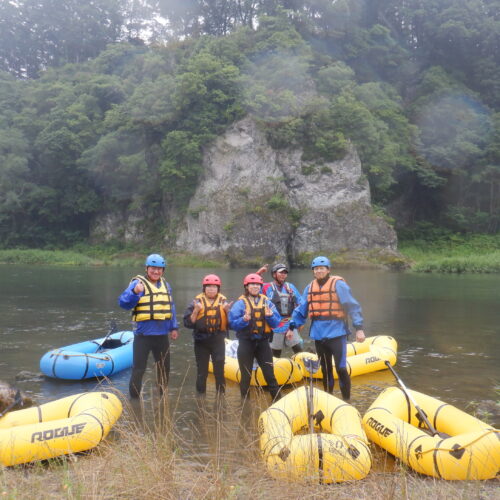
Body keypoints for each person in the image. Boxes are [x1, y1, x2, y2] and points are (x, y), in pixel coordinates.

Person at [289, 256, 365, 401]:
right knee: (325, 369)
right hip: (319, 334)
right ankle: (329, 399)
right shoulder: (310, 287)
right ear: (313, 271)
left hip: (337, 333)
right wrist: (292, 326)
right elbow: (301, 310)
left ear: (328, 270)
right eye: (316, 269)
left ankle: (346, 401)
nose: (318, 271)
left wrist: (359, 328)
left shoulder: (339, 285)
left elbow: (352, 306)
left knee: (341, 368)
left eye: (321, 268)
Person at [118, 253, 179, 398]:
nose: (156, 271)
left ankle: (162, 398)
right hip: (143, 336)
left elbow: (171, 307)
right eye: (153, 268)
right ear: (147, 269)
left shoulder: (166, 285)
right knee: (138, 370)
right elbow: (123, 303)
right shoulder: (137, 284)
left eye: (159, 269)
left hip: (162, 336)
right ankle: (134, 402)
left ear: (163, 270)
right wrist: (134, 292)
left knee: (164, 369)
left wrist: (173, 327)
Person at [228, 273, 282, 401]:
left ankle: (278, 403)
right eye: (252, 284)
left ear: (260, 286)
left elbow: (276, 322)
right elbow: (232, 324)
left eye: (257, 284)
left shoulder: (267, 303)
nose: (255, 287)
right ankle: (245, 408)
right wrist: (244, 320)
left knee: (270, 375)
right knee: (246, 377)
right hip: (246, 343)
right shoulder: (240, 304)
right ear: (246, 286)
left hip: (263, 344)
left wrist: (270, 316)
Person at [183, 274, 232, 395]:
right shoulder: (196, 302)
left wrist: (227, 312)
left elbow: (232, 325)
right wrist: (195, 310)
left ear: (218, 289)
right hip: (201, 341)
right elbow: (187, 324)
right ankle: (201, 401)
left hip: (218, 341)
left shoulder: (224, 303)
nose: (211, 289)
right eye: (208, 286)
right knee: (202, 372)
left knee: (219, 372)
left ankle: (221, 400)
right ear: (204, 288)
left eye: (214, 286)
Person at [256, 263, 304, 358]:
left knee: (299, 351)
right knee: (275, 355)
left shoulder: (290, 287)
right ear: (274, 274)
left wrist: (298, 323)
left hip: (290, 324)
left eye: (285, 272)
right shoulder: (266, 287)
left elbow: (301, 305)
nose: (283, 274)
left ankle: (302, 369)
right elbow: (252, 286)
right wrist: (258, 274)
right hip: (275, 326)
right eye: (281, 272)